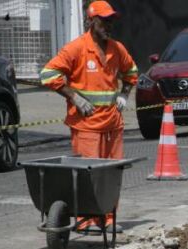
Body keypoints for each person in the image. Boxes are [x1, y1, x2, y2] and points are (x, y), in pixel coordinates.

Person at [40, 1, 137, 233]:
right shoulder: (76, 49)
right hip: (87, 127)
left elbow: (131, 72)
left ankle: (109, 218)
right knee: (87, 176)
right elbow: (48, 74)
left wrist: (124, 94)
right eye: (103, 20)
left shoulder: (116, 49)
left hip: (112, 124)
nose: (108, 24)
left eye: (111, 20)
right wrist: (74, 97)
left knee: (111, 176)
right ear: (91, 21)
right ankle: (86, 221)